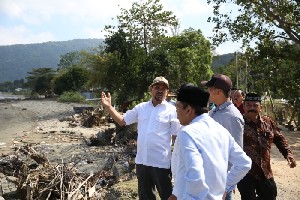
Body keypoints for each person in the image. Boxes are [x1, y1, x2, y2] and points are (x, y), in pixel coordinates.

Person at [101, 76, 181, 200]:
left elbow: (176, 138)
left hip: (161, 163)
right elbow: (122, 121)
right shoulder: (141, 107)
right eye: (157, 87)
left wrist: (179, 163)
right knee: (145, 197)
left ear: (167, 92)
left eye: (163, 88)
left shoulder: (172, 110)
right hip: (142, 162)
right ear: (151, 89)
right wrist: (109, 107)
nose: (160, 90)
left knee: (167, 196)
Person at [169, 83, 251, 200]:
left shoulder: (188, 133)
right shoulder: (221, 130)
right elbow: (244, 163)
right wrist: (225, 186)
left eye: (177, 107)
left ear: (188, 109)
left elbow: (195, 175)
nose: (176, 113)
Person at [237, 92, 297, 200]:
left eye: (255, 105)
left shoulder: (268, 122)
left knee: (270, 196)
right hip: (245, 173)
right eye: (248, 105)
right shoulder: (237, 123)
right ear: (244, 106)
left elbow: (279, 139)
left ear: (261, 107)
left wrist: (288, 154)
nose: (252, 108)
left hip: (265, 172)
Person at [201, 74, 244, 200]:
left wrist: (228, 184)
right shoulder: (215, 110)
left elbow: (236, 155)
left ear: (218, 91)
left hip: (220, 182)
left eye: (210, 88)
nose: (208, 91)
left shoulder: (233, 116)